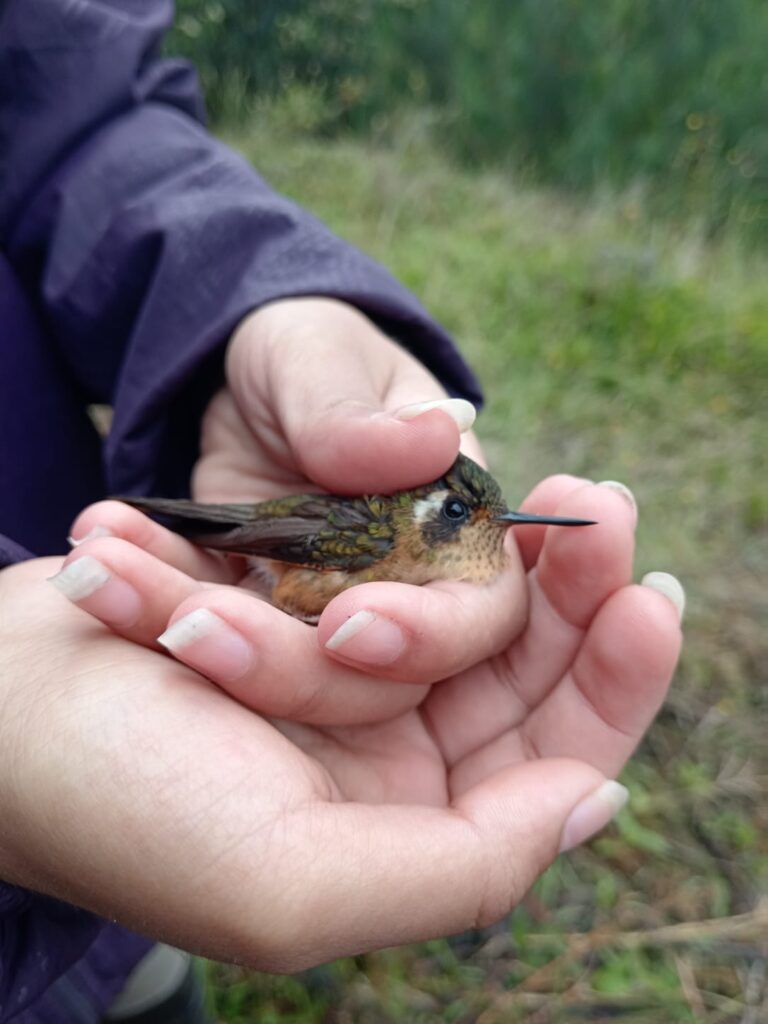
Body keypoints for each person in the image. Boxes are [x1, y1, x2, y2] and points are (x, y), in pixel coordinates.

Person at [0, 1, 684, 1021]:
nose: (491, 539)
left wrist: (273, 303)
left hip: (104, 914)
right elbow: (270, 541)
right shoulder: (371, 540)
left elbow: (80, 106)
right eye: (465, 524)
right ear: (422, 526)